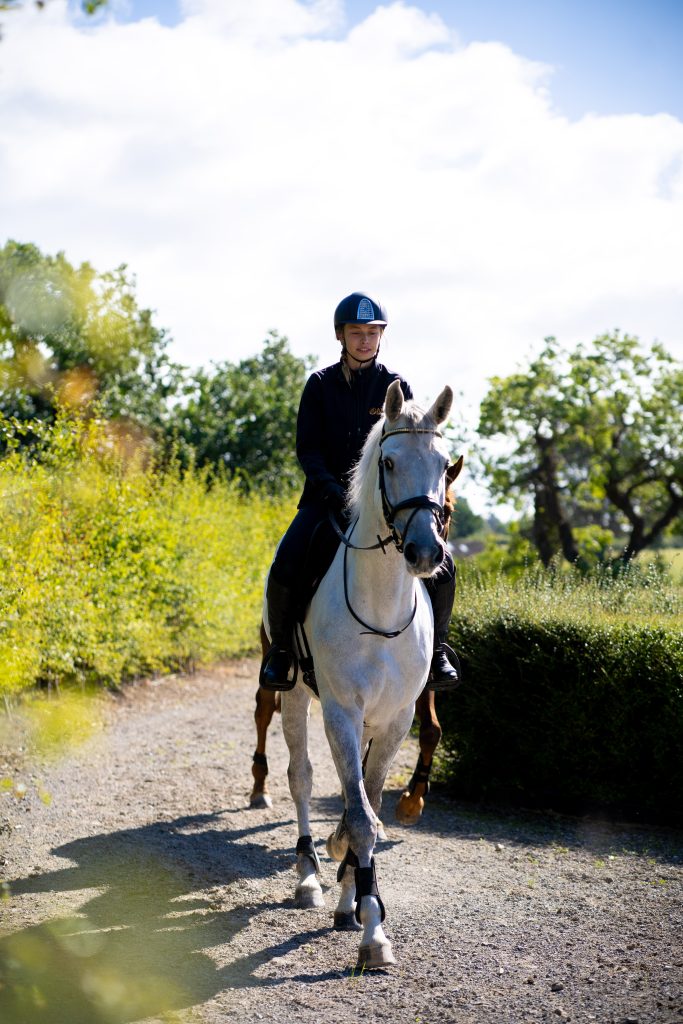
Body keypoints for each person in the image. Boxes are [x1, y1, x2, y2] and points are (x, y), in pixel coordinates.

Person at [259, 291, 459, 692]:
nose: (364, 340)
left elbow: (411, 447)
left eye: (372, 332)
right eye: (356, 332)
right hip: (326, 500)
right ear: (341, 336)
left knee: (446, 566)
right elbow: (308, 450)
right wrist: (333, 490)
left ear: (380, 336)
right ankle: (281, 652)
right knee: (289, 557)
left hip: (385, 504)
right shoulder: (319, 385)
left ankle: (436, 651)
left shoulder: (396, 386)